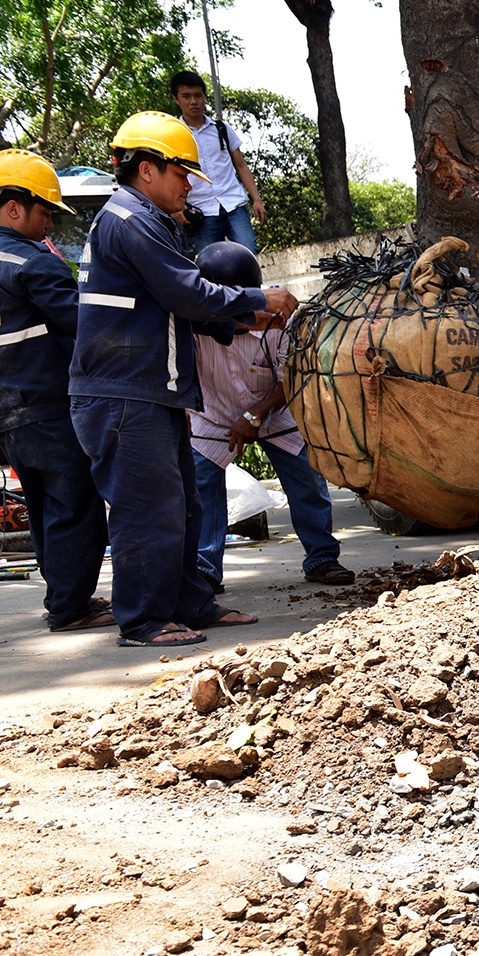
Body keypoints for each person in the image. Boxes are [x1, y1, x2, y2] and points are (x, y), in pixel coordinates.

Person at [69, 110, 296, 648]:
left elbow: (177, 309)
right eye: (181, 176)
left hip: (148, 392)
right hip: (125, 395)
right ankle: (144, 621)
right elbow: (186, 292)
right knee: (147, 510)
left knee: (183, 505)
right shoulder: (131, 221)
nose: (189, 190)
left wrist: (240, 318)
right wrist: (258, 299)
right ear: (146, 169)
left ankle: (190, 601)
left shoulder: (139, 222)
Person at [0, 149, 111, 631]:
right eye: (44, 210)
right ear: (14, 206)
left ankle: (65, 597)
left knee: (44, 504)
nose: (49, 223)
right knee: (76, 503)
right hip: (45, 402)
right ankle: (69, 607)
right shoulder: (30, 261)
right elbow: (87, 325)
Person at [190, 241, 352, 591]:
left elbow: (291, 379)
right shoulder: (192, 319)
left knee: (306, 478)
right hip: (214, 413)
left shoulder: (283, 318)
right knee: (202, 484)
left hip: (274, 409)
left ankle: (322, 557)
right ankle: (204, 569)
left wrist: (255, 414)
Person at [169, 70, 267, 253]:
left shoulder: (221, 129)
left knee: (249, 253)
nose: (193, 101)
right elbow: (169, 175)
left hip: (233, 204)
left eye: (198, 95)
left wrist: (256, 199)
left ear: (204, 97)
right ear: (176, 99)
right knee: (210, 265)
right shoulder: (173, 135)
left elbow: (241, 165)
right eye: (186, 96)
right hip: (201, 211)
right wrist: (175, 207)